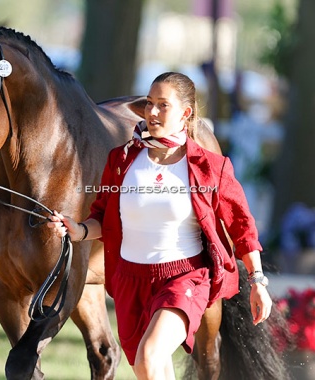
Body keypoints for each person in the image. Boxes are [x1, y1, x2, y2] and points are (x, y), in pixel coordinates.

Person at [47, 72, 272, 379]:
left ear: (185, 113)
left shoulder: (210, 167)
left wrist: (258, 281)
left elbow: (242, 227)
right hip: (131, 281)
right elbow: (104, 215)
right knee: (147, 366)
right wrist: (79, 229)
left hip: (184, 277)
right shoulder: (122, 160)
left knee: (151, 356)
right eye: (150, 103)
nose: (151, 112)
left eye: (162, 105)